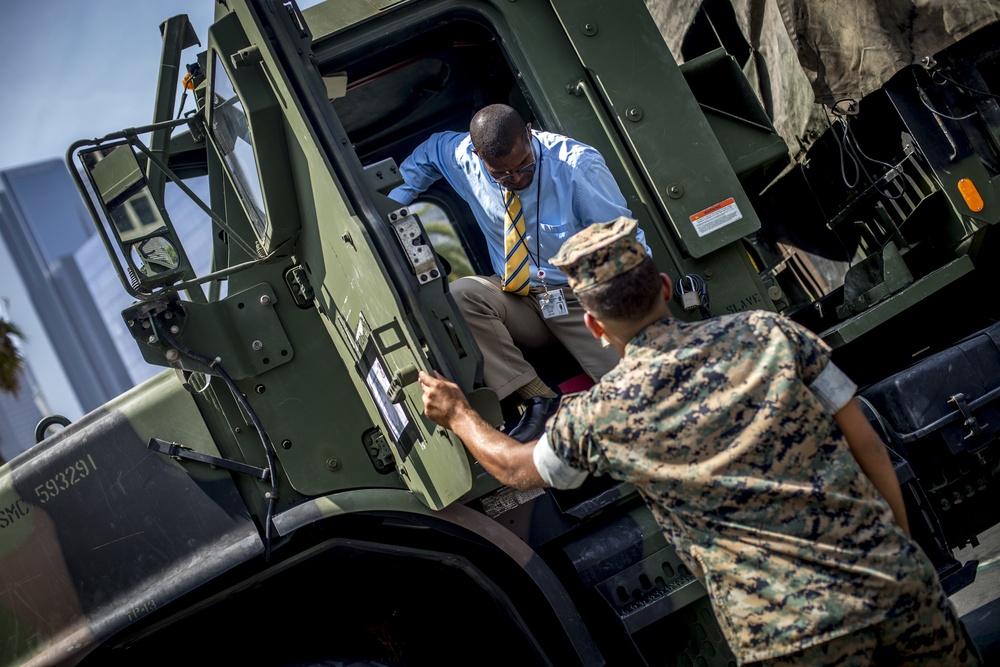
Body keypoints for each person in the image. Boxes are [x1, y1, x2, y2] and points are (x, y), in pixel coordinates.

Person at [417, 217, 981, 666]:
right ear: (664, 288)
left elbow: (516, 468)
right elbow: (867, 444)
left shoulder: (599, 415)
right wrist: (897, 555)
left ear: (593, 325)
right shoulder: (769, 332)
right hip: (893, 581)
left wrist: (460, 415)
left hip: (787, 636)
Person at [389, 103, 649, 442]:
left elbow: (622, 243)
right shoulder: (460, 156)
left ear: (529, 133)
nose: (516, 178)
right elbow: (426, 155)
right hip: (521, 297)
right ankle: (539, 398)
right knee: (463, 295)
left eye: (524, 165)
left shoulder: (576, 166)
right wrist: (388, 211)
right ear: (477, 154)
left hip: (581, 297)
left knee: (638, 399)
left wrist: (630, 315)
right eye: (501, 174)